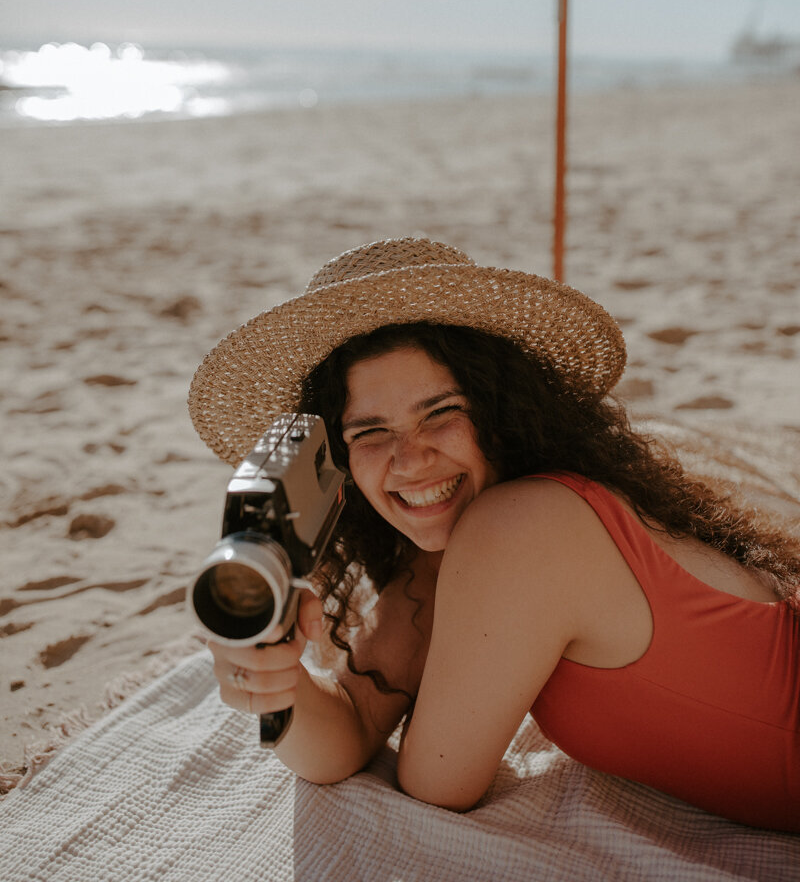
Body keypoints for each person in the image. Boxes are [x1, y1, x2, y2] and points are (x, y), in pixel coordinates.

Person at [188, 237, 800, 833]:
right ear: (338, 463)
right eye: (370, 433)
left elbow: (438, 784)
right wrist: (277, 681)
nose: (410, 458)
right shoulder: (440, 566)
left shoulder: (519, 527)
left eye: (441, 413)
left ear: (501, 410)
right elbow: (346, 736)